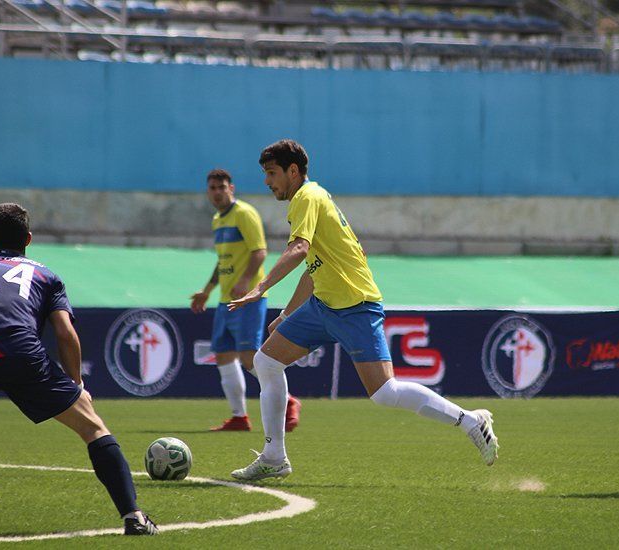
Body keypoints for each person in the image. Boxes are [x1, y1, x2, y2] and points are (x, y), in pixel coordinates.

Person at [227, 139, 498, 481]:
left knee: (386, 393)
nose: (267, 182)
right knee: (266, 361)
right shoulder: (311, 199)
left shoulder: (306, 198)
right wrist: (285, 315)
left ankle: (470, 421)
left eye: (272, 173)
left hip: (355, 306)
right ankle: (274, 456)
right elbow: (314, 267)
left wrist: (261, 288)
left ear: (293, 171)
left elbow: (299, 249)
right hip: (324, 305)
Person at [0, 203, 157, 535]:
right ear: (28, 239)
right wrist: (76, 385)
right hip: (24, 356)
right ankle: (133, 516)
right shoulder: (46, 275)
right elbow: (65, 333)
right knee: (93, 429)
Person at [190, 169, 301, 432]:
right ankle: (239, 416)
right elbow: (223, 262)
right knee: (224, 356)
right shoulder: (218, 220)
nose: (217, 192)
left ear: (232, 188)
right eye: (213, 188)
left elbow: (260, 252)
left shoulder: (245, 214)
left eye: (221, 187)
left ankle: (288, 402)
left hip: (247, 299)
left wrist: (246, 281)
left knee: (250, 357)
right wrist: (207, 290)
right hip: (225, 300)